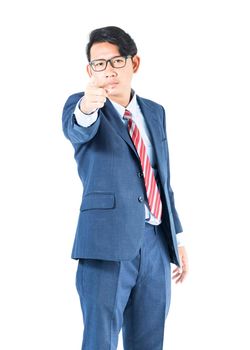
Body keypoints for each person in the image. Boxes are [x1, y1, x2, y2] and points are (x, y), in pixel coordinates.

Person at [62, 26, 188, 350]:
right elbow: (78, 127)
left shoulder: (155, 112)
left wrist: (177, 239)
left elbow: (163, 179)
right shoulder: (83, 107)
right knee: (99, 341)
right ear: (90, 71)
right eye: (99, 64)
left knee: (149, 341)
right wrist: (88, 106)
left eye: (116, 61)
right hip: (105, 247)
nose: (109, 71)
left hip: (156, 245)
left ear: (135, 63)